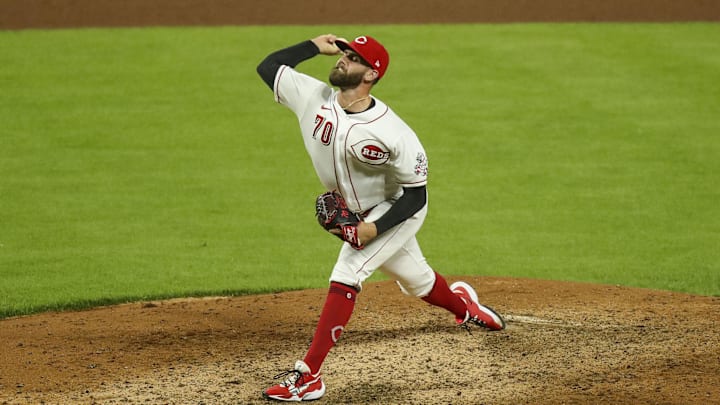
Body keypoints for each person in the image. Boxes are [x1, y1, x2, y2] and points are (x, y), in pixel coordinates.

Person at [256, 34, 505, 402]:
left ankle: (309, 376)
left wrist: (373, 227)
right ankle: (463, 306)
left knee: (347, 272)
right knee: (418, 281)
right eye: (345, 53)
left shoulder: (393, 132)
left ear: (371, 74)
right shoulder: (313, 97)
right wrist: (313, 45)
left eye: (353, 58)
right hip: (359, 211)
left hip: (396, 210)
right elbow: (268, 68)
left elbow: (416, 194)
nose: (343, 60)